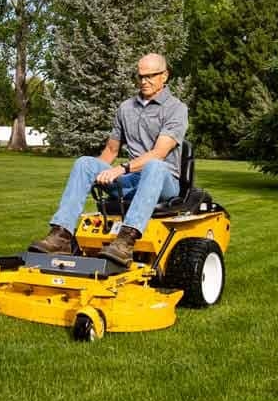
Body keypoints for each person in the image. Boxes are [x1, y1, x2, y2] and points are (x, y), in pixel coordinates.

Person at [29, 53, 188, 266]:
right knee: (84, 163)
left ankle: (125, 241)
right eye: (141, 76)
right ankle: (61, 235)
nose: (144, 81)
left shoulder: (176, 108)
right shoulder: (126, 108)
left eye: (151, 76)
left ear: (165, 76)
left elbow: (159, 152)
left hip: (163, 181)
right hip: (132, 179)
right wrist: (98, 173)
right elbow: (110, 151)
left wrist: (119, 170)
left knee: (155, 166)